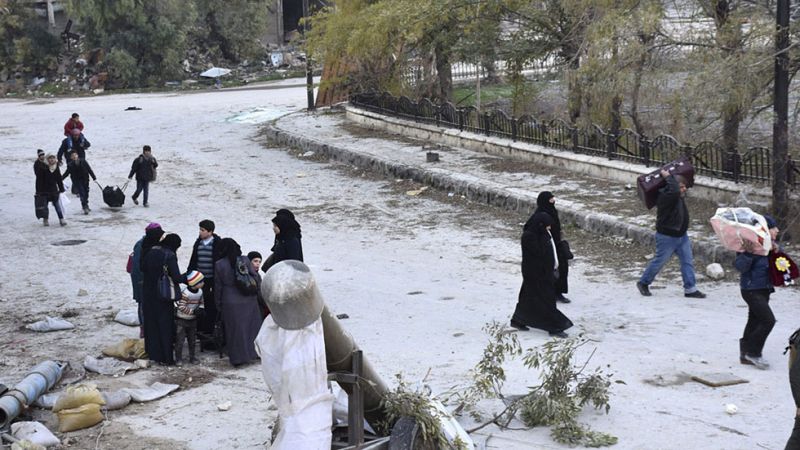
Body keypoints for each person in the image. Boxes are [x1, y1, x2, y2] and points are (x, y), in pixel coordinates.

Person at [636, 171, 706, 298]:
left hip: (682, 236)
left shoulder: (676, 195)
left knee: (687, 261)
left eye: (684, 186)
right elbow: (673, 189)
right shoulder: (666, 196)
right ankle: (643, 282)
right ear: (671, 186)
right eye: (681, 186)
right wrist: (667, 176)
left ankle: (690, 289)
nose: (684, 189)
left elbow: (676, 190)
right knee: (659, 262)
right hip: (667, 237)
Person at [510, 212, 573, 338]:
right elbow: (539, 254)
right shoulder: (530, 236)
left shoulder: (543, 233)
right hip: (536, 274)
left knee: (527, 298)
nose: (549, 228)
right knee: (547, 300)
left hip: (544, 273)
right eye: (547, 226)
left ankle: (518, 320)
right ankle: (554, 327)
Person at [734, 215, 779, 370]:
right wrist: (748, 253)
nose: (777, 230)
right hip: (751, 289)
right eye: (773, 228)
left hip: (764, 288)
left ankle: (744, 353)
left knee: (754, 320)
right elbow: (740, 267)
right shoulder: (749, 245)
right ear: (765, 230)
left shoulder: (769, 246)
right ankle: (754, 352)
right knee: (768, 321)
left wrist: (776, 250)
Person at [214, 238, 262, 366]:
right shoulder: (245, 260)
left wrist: (218, 303)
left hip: (230, 301)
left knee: (234, 331)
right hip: (249, 299)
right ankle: (253, 353)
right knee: (251, 328)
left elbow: (218, 286)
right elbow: (255, 276)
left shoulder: (219, 264)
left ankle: (238, 358)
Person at [141, 233, 186, 365]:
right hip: (163, 295)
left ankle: (154, 354)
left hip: (148, 293)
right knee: (164, 325)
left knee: (151, 324)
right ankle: (167, 357)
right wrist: (189, 277)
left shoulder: (151, 251)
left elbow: (142, 268)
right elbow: (176, 277)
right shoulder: (169, 255)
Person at [187, 219, 223, 350]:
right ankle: (200, 332)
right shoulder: (198, 243)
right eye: (200, 230)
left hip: (211, 280)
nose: (200, 232)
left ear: (210, 232)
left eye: (203, 230)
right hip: (199, 280)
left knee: (210, 305)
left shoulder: (217, 243)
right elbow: (193, 259)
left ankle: (209, 333)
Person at [535, 191, 572, 303]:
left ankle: (559, 292)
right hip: (546, 246)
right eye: (551, 199)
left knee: (562, 267)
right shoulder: (539, 214)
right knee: (548, 270)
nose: (553, 201)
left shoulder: (552, 211)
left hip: (557, 244)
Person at [131, 223, 164, 336]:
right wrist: (142, 280)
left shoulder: (155, 243)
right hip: (142, 281)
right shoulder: (141, 245)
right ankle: (144, 329)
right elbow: (137, 266)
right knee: (143, 304)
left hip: (150, 281)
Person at [175, 270, 205, 366]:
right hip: (182, 319)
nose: (203, 283)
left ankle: (192, 357)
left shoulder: (200, 292)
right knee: (180, 340)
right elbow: (181, 307)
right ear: (194, 283)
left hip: (193, 320)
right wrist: (193, 312)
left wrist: (201, 309)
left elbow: (201, 302)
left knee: (192, 340)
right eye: (200, 282)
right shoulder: (185, 294)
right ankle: (178, 358)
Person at [34, 153, 66, 226]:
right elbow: (38, 180)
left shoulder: (56, 168)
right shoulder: (42, 168)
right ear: (47, 159)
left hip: (53, 191)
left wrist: (61, 189)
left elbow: (59, 180)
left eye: (53, 158)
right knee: (45, 207)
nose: (51, 160)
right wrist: (38, 191)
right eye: (50, 158)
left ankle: (61, 219)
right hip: (44, 191)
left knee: (57, 206)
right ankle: (45, 220)